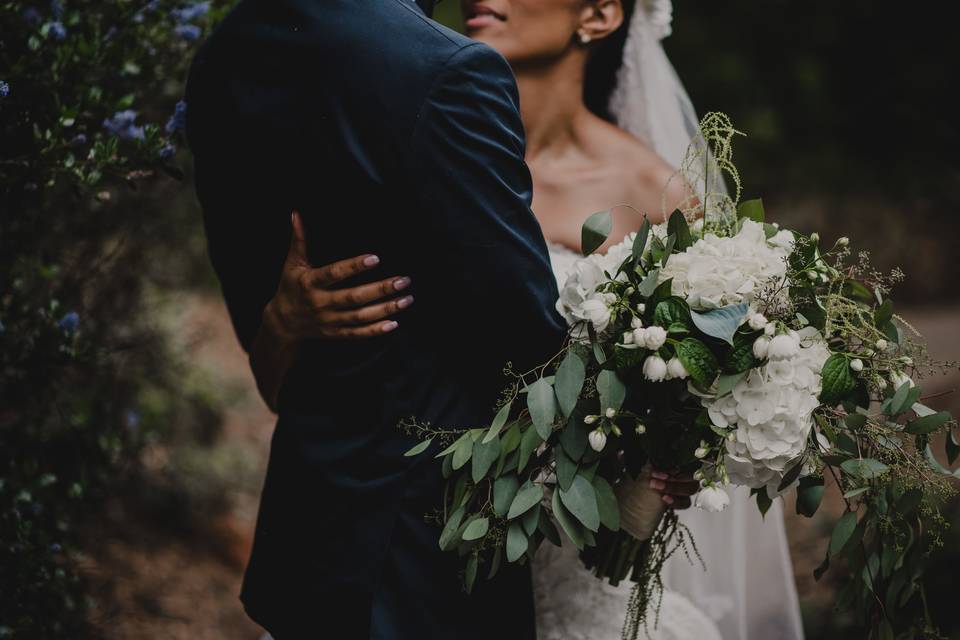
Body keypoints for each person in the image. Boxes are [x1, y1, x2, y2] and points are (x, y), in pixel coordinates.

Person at [263, 1, 806, 639]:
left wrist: (662, 469)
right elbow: (284, 393)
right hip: (412, 572)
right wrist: (283, 322)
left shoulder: (659, 194)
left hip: (578, 576)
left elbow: (713, 392)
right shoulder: (416, 161)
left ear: (600, 14)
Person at [186, 0, 569, 636]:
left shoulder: (226, 52)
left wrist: (280, 322)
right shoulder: (447, 70)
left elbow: (263, 339)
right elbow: (529, 339)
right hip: (431, 547)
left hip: (308, 526)